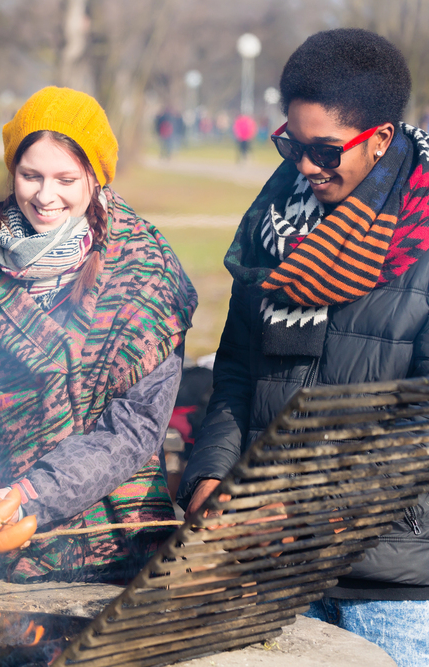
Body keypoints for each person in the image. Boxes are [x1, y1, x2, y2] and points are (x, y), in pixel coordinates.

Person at [177, 29, 429, 667]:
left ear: (379, 138)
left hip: (392, 590)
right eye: (291, 144)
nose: (304, 167)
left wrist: (312, 507)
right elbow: (236, 368)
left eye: (323, 150)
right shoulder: (272, 226)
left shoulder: (420, 239)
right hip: (270, 574)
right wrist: (212, 472)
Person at [0, 86, 198, 584]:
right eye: (30, 175)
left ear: (96, 177)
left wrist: (34, 493)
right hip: (7, 537)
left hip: (117, 538)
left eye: (65, 178)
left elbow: (136, 426)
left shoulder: (146, 272)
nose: (45, 195)